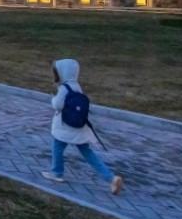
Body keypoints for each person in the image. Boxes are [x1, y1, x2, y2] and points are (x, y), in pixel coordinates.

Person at [41, 58, 124, 195]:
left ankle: (57, 173)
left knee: (57, 147)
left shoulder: (63, 88)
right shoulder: (77, 86)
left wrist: (52, 99)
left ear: (62, 73)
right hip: (79, 127)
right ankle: (111, 178)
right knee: (88, 153)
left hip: (65, 127)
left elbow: (58, 105)